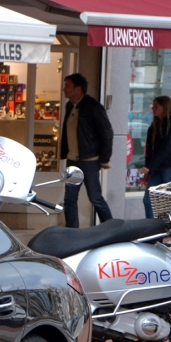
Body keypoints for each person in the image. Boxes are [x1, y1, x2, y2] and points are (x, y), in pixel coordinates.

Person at [59, 72, 113, 228]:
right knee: (69, 198)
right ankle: (72, 231)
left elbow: (107, 133)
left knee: (95, 197)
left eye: (67, 86)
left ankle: (111, 227)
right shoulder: (70, 105)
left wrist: (104, 158)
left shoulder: (93, 107)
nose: (64, 89)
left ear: (78, 89)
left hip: (89, 160)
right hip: (72, 159)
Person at [138, 96, 171, 218]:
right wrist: (148, 170)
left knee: (169, 201)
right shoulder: (154, 125)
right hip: (158, 167)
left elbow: (167, 147)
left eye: (156, 106)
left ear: (165, 107)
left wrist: (150, 166)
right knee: (148, 199)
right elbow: (150, 150)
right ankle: (151, 230)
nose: (153, 108)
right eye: (153, 105)